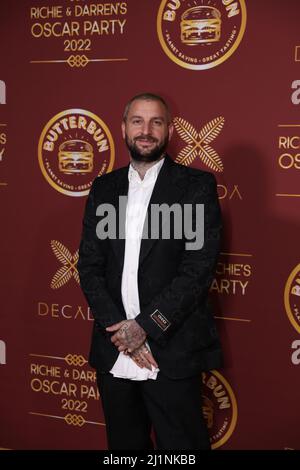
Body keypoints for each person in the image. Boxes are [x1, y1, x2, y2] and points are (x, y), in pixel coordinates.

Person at [77, 93, 223, 450]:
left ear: (169, 131)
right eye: (137, 121)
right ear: (124, 128)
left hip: (170, 349)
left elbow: (197, 270)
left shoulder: (194, 187)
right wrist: (121, 329)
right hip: (115, 350)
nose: (146, 130)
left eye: (155, 122)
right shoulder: (104, 188)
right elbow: (90, 265)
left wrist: (145, 327)